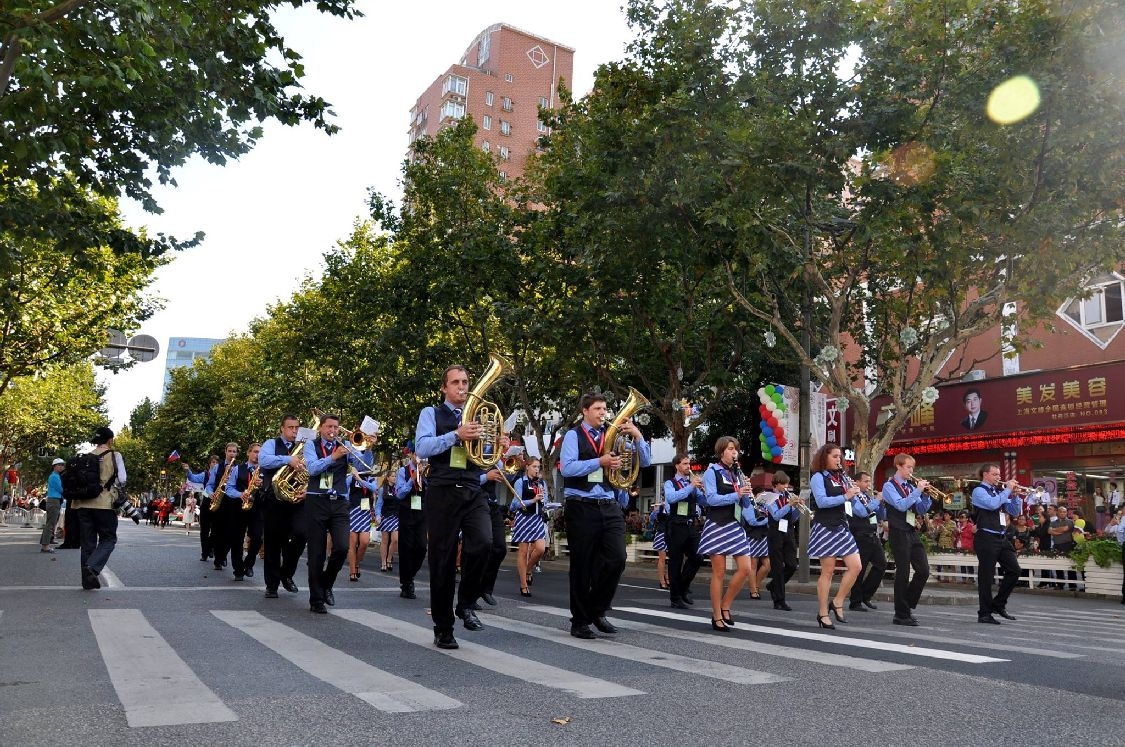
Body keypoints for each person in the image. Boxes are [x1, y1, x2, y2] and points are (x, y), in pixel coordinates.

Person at [415, 365, 510, 649]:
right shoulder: (430, 413)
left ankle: (466, 603)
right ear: (444, 388)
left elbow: (486, 459)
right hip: (443, 490)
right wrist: (457, 435)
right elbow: (422, 448)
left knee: (485, 544)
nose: (462, 387)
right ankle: (443, 628)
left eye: (466, 382)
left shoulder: (479, 417)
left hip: (472, 487)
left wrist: (499, 445)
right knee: (442, 561)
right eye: (455, 382)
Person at [559, 391, 651, 640]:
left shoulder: (613, 437)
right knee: (582, 565)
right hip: (581, 505)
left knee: (617, 558)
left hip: (609, 504)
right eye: (598, 409)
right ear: (585, 412)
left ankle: (596, 610)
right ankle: (580, 620)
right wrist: (599, 462)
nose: (603, 413)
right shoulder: (573, 435)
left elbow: (646, 462)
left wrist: (638, 436)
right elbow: (567, 467)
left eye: (605, 409)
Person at [303, 414, 373, 614]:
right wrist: (333, 457)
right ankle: (316, 599)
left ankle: (326, 584)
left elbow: (363, 466)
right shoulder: (311, 445)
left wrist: (367, 447)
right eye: (329, 427)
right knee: (316, 553)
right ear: (321, 429)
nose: (333, 431)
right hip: (317, 500)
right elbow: (312, 468)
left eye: (336, 427)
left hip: (340, 501)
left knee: (342, 547)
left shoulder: (346, 445)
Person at [699, 436, 754, 632]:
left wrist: (747, 493)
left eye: (736, 449)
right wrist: (736, 494)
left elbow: (745, 504)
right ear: (721, 451)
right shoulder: (711, 471)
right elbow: (711, 499)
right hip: (717, 524)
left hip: (735, 524)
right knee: (719, 572)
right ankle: (716, 616)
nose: (734, 452)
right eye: (730, 449)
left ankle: (726, 605)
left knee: (746, 568)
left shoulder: (738, 473)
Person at [808, 443, 862, 630]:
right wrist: (846, 496)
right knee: (828, 571)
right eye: (834, 456)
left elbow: (850, 503)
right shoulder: (817, 477)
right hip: (825, 527)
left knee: (856, 566)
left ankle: (837, 601)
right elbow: (821, 502)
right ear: (825, 457)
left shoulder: (841, 478)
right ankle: (823, 613)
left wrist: (856, 495)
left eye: (840, 456)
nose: (838, 459)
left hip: (841, 526)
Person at [258, 414, 308, 599]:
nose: (294, 431)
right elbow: (264, 461)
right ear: (282, 428)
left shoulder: (305, 446)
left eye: (296, 427)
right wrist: (288, 460)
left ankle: (286, 574)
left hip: (297, 501)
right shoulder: (271, 444)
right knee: (273, 543)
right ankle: (272, 585)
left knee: (301, 535)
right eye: (290, 427)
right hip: (274, 500)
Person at [881, 452, 932, 626]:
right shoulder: (889, 486)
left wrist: (926, 494)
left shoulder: (910, 487)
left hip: (911, 531)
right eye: (909, 467)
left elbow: (920, 509)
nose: (912, 471)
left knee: (924, 570)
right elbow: (901, 505)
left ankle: (907, 604)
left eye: (912, 467)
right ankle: (901, 614)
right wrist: (918, 490)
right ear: (899, 466)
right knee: (903, 573)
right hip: (898, 531)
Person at [74, 426, 127, 590]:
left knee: (87, 543)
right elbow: (123, 479)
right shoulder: (114, 455)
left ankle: (87, 581)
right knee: (108, 538)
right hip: (104, 503)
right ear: (110, 440)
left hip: (82, 504)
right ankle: (93, 567)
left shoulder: (86, 457)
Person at [971, 463, 1023, 624]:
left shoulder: (998, 491)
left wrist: (1015, 495)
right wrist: (1007, 489)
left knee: (1014, 570)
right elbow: (992, 504)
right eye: (995, 474)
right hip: (986, 537)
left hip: (1001, 537)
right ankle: (984, 613)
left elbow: (1014, 512)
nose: (998, 477)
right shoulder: (979, 491)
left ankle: (998, 604)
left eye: (999, 475)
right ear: (985, 475)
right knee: (986, 577)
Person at [663, 453, 705, 609]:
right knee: (675, 562)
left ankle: (682, 586)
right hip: (676, 525)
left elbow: (703, 501)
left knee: (698, 557)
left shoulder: (691, 483)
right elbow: (671, 498)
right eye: (685, 464)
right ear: (677, 466)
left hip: (691, 524)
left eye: (689, 463)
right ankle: (675, 597)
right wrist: (691, 487)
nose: (689, 466)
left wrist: (703, 490)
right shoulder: (670, 483)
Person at [223, 442, 263, 581]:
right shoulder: (237, 469)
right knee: (237, 540)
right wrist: (240, 494)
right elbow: (229, 488)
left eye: (260, 453)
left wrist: (263, 485)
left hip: (257, 508)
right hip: (239, 507)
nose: (257, 455)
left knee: (258, 537)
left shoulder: (265, 471)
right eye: (255, 452)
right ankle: (238, 569)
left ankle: (249, 563)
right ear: (248, 452)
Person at [848, 471, 886, 611]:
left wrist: (880, 503)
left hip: (872, 535)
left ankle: (866, 595)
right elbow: (862, 512)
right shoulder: (852, 497)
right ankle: (855, 601)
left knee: (881, 564)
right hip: (860, 536)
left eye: (869, 481)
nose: (868, 484)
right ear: (856, 482)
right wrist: (876, 500)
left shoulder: (867, 496)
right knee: (860, 569)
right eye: (865, 481)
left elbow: (879, 516)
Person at [511, 457, 549, 597]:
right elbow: (515, 504)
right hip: (524, 517)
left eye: (538, 467)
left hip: (538, 517)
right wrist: (533, 500)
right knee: (523, 551)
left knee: (540, 549)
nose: (537, 469)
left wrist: (547, 504)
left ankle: (528, 569)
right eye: (534, 466)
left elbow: (545, 501)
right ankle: (523, 585)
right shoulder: (520, 482)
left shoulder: (541, 483)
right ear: (527, 467)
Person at [764, 471, 800, 611]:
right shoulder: (769, 498)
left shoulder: (788, 497)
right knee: (777, 567)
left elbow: (794, 518)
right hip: (775, 533)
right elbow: (776, 515)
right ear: (776, 484)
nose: (786, 487)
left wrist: (796, 507)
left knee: (792, 565)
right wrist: (789, 505)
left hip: (788, 531)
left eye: (787, 484)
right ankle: (779, 600)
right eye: (783, 484)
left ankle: (774, 585)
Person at [394, 450, 427, 599]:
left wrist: (425, 476)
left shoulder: (427, 470)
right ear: (412, 455)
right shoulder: (402, 471)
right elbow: (399, 493)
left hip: (421, 511)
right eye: (418, 455)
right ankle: (406, 583)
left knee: (421, 547)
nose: (420, 459)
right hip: (407, 511)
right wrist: (412, 479)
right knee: (406, 549)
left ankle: (410, 576)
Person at [207, 443, 240, 572]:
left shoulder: (239, 467)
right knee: (217, 532)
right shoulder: (217, 467)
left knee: (230, 533)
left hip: (233, 503)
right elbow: (210, 485)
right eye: (230, 451)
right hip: (220, 502)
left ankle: (221, 557)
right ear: (225, 452)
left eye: (234, 451)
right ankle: (218, 558)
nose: (232, 453)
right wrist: (211, 493)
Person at [184, 456, 219, 560]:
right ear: (209, 464)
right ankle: (204, 553)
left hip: (218, 504)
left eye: (217, 462)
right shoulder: (205, 474)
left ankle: (210, 547)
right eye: (213, 462)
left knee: (216, 530)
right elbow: (193, 478)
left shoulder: (222, 474)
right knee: (204, 530)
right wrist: (188, 470)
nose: (215, 464)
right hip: (206, 503)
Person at [348, 468, 378, 582]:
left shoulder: (371, 479)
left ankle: (356, 564)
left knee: (364, 542)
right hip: (352, 511)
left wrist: (360, 479)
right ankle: (352, 571)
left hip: (365, 513)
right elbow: (345, 493)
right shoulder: (350, 478)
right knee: (352, 543)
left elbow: (375, 489)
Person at [742, 489, 771, 601]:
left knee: (767, 565)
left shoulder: (763, 505)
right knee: (753, 565)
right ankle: (753, 590)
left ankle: (756, 586)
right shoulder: (748, 503)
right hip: (752, 536)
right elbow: (751, 521)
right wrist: (768, 520)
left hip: (763, 536)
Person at [40, 458, 65, 553]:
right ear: (54, 466)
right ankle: (45, 546)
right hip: (54, 500)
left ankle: (46, 542)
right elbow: (61, 489)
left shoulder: (56, 476)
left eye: (62, 465)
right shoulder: (54, 476)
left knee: (52, 523)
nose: (61, 467)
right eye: (59, 465)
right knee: (50, 524)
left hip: (55, 500)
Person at [649, 502, 669, 590]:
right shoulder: (661, 507)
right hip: (661, 533)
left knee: (674, 559)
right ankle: (662, 581)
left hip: (672, 534)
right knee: (662, 558)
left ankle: (668, 577)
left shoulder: (675, 505)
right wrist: (656, 509)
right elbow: (651, 519)